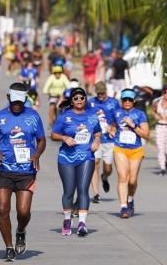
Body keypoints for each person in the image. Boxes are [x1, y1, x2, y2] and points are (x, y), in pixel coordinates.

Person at [0, 83, 46, 261]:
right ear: (8, 98)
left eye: (21, 101)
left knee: (23, 211)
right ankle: (9, 247)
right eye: (14, 101)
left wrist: (37, 154)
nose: (17, 104)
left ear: (26, 99)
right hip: (3, 170)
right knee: (2, 209)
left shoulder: (33, 116)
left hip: (26, 170)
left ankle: (20, 231)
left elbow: (41, 139)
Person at [52, 87, 102, 236]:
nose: (79, 100)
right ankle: (67, 220)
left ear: (86, 100)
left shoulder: (92, 117)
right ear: (72, 101)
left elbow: (98, 131)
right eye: (76, 98)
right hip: (66, 158)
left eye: (82, 98)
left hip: (86, 156)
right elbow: (54, 134)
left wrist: (97, 139)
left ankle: (82, 223)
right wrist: (64, 138)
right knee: (69, 190)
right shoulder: (65, 117)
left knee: (83, 189)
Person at [109, 89, 150, 218]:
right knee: (122, 178)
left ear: (134, 101)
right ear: (122, 100)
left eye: (130, 100)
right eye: (125, 99)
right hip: (120, 148)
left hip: (135, 150)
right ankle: (123, 207)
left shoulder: (140, 114)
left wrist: (133, 125)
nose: (127, 102)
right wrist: (112, 130)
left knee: (132, 181)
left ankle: (130, 198)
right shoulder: (116, 112)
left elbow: (146, 135)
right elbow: (114, 126)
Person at [86, 81, 121, 203]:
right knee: (95, 164)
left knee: (108, 168)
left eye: (102, 92)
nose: (100, 95)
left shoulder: (114, 103)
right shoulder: (90, 103)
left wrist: (113, 128)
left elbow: (119, 118)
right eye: (98, 93)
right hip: (96, 139)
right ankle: (96, 194)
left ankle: (104, 177)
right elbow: (85, 117)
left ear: (106, 91)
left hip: (110, 140)